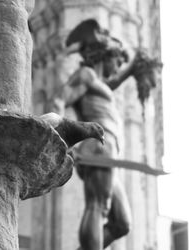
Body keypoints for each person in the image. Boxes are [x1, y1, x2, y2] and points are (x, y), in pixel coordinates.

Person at [53, 19, 141, 250]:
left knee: (121, 223)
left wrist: (132, 69)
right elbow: (60, 98)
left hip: (109, 150)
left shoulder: (99, 84)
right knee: (98, 205)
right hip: (97, 147)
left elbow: (112, 83)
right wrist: (63, 138)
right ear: (104, 55)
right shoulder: (86, 75)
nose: (119, 64)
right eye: (117, 59)